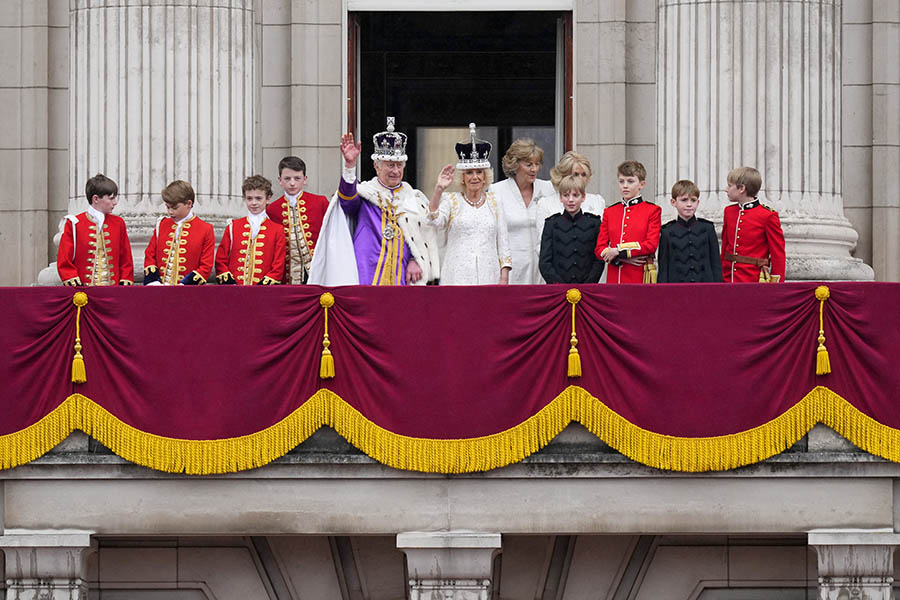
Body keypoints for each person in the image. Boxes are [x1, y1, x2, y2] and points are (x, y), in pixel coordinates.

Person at [308, 117, 439, 286]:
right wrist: (350, 166)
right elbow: (347, 202)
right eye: (390, 165)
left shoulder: (413, 199)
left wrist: (416, 259)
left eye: (399, 165)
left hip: (402, 274)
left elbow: (423, 235)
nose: (396, 171)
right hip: (366, 270)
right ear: (377, 166)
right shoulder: (365, 193)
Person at [426, 124, 511, 285]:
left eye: (479, 172)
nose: (475, 177)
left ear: (485, 176)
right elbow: (434, 220)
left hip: (489, 274)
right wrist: (438, 189)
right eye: (469, 172)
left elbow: (503, 242)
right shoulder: (451, 200)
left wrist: (504, 276)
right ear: (462, 177)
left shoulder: (495, 201)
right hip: (456, 274)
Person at [493, 138, 556, 284]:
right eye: (529, 165)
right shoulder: (496, 191)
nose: (534, 169)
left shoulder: (548, 189)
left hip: (543, 267)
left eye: (537, 164)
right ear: (515, 165)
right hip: (511, 268)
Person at [57, 173, 134, 286]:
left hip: (113, 291)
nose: (115, 202)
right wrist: (70, 277)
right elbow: (64, 258)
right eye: (111, 198)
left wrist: (125, 277)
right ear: (96, 199)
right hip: (84, 291)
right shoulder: (74, 223)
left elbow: (125, 257)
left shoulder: (118, 223)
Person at [595, 160, 661, 284]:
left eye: (630, 181)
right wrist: (620, 258)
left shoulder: (652, 210)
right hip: (615, 276)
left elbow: (651, 245)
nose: (625, 186)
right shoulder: (610, 212)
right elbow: (600, 248)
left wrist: (618, 251)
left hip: (639, 276)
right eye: (621, 181)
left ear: (642, 184)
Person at [266, 156, 329, 284]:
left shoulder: (320, 202)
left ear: (305, 179)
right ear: (280, 180)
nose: (292, 183)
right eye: (287, 179)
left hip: (318, 271)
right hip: (287, 275)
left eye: (297, 178)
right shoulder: (272, 209)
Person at [215, 175, 286, 285]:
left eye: (258, 198)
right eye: (249, 198)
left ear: (268, 199)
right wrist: (230, 283)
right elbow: (221, 260)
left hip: (263, 292)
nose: (253, 203)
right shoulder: (233, 226)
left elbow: (278, 265)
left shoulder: (277, 229)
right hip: (234, 291)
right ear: (244, 198)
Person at [721, 166, 786, 282]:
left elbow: (778, 254)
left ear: (741, 188)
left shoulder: (768, 215)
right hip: (728, 277)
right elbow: (725, 246)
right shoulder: (729, 212)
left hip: (753, 279)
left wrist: (776, 283)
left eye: (730, 186)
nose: (726, 189)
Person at [143, 180, 215, 285]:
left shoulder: (205, 229)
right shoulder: (161, 224)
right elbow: (150, 254)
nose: (170, 212)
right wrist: (153, 282)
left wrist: (184, 286)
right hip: (158, 290)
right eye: (167, 207)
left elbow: (206, 266)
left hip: (188, 294)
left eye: (175, 208)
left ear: (189, 204)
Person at [539, 174, 604, 284]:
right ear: (560, 198)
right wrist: (559, 286)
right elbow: (544, 262)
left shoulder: (594, 223)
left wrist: (588, 284)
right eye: (566, 195)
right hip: (558, 289)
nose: (570, 200)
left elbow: (598, 260)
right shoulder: (551, 224)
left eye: (575, 195)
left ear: (583, 197)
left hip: (587, 288)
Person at [657, 179, 722, 283]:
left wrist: (718, 288)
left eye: (693, 200)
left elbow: (716, 264)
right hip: (676, 289)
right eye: (684, 200)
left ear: (698, 202)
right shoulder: (667, 231)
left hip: (705, 287)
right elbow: (663, 268)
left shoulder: (707, 228)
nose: (689, 204)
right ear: (673, 202)